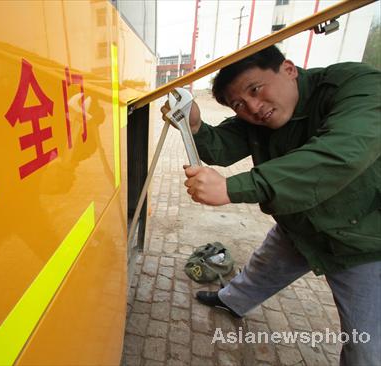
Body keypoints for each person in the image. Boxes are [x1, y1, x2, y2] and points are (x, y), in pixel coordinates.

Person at [160, 45, 380, 365]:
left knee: (366, 346)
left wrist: (232, 188)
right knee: (264, 267)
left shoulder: (358, 86)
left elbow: (342, 153)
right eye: (239, 104)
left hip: (364, 239)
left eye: (256, 89)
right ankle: (231, 300)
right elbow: (221, 148)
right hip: (299, 225)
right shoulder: (259, 116)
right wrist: (193, 124)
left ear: (289, 69)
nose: (253, 107)